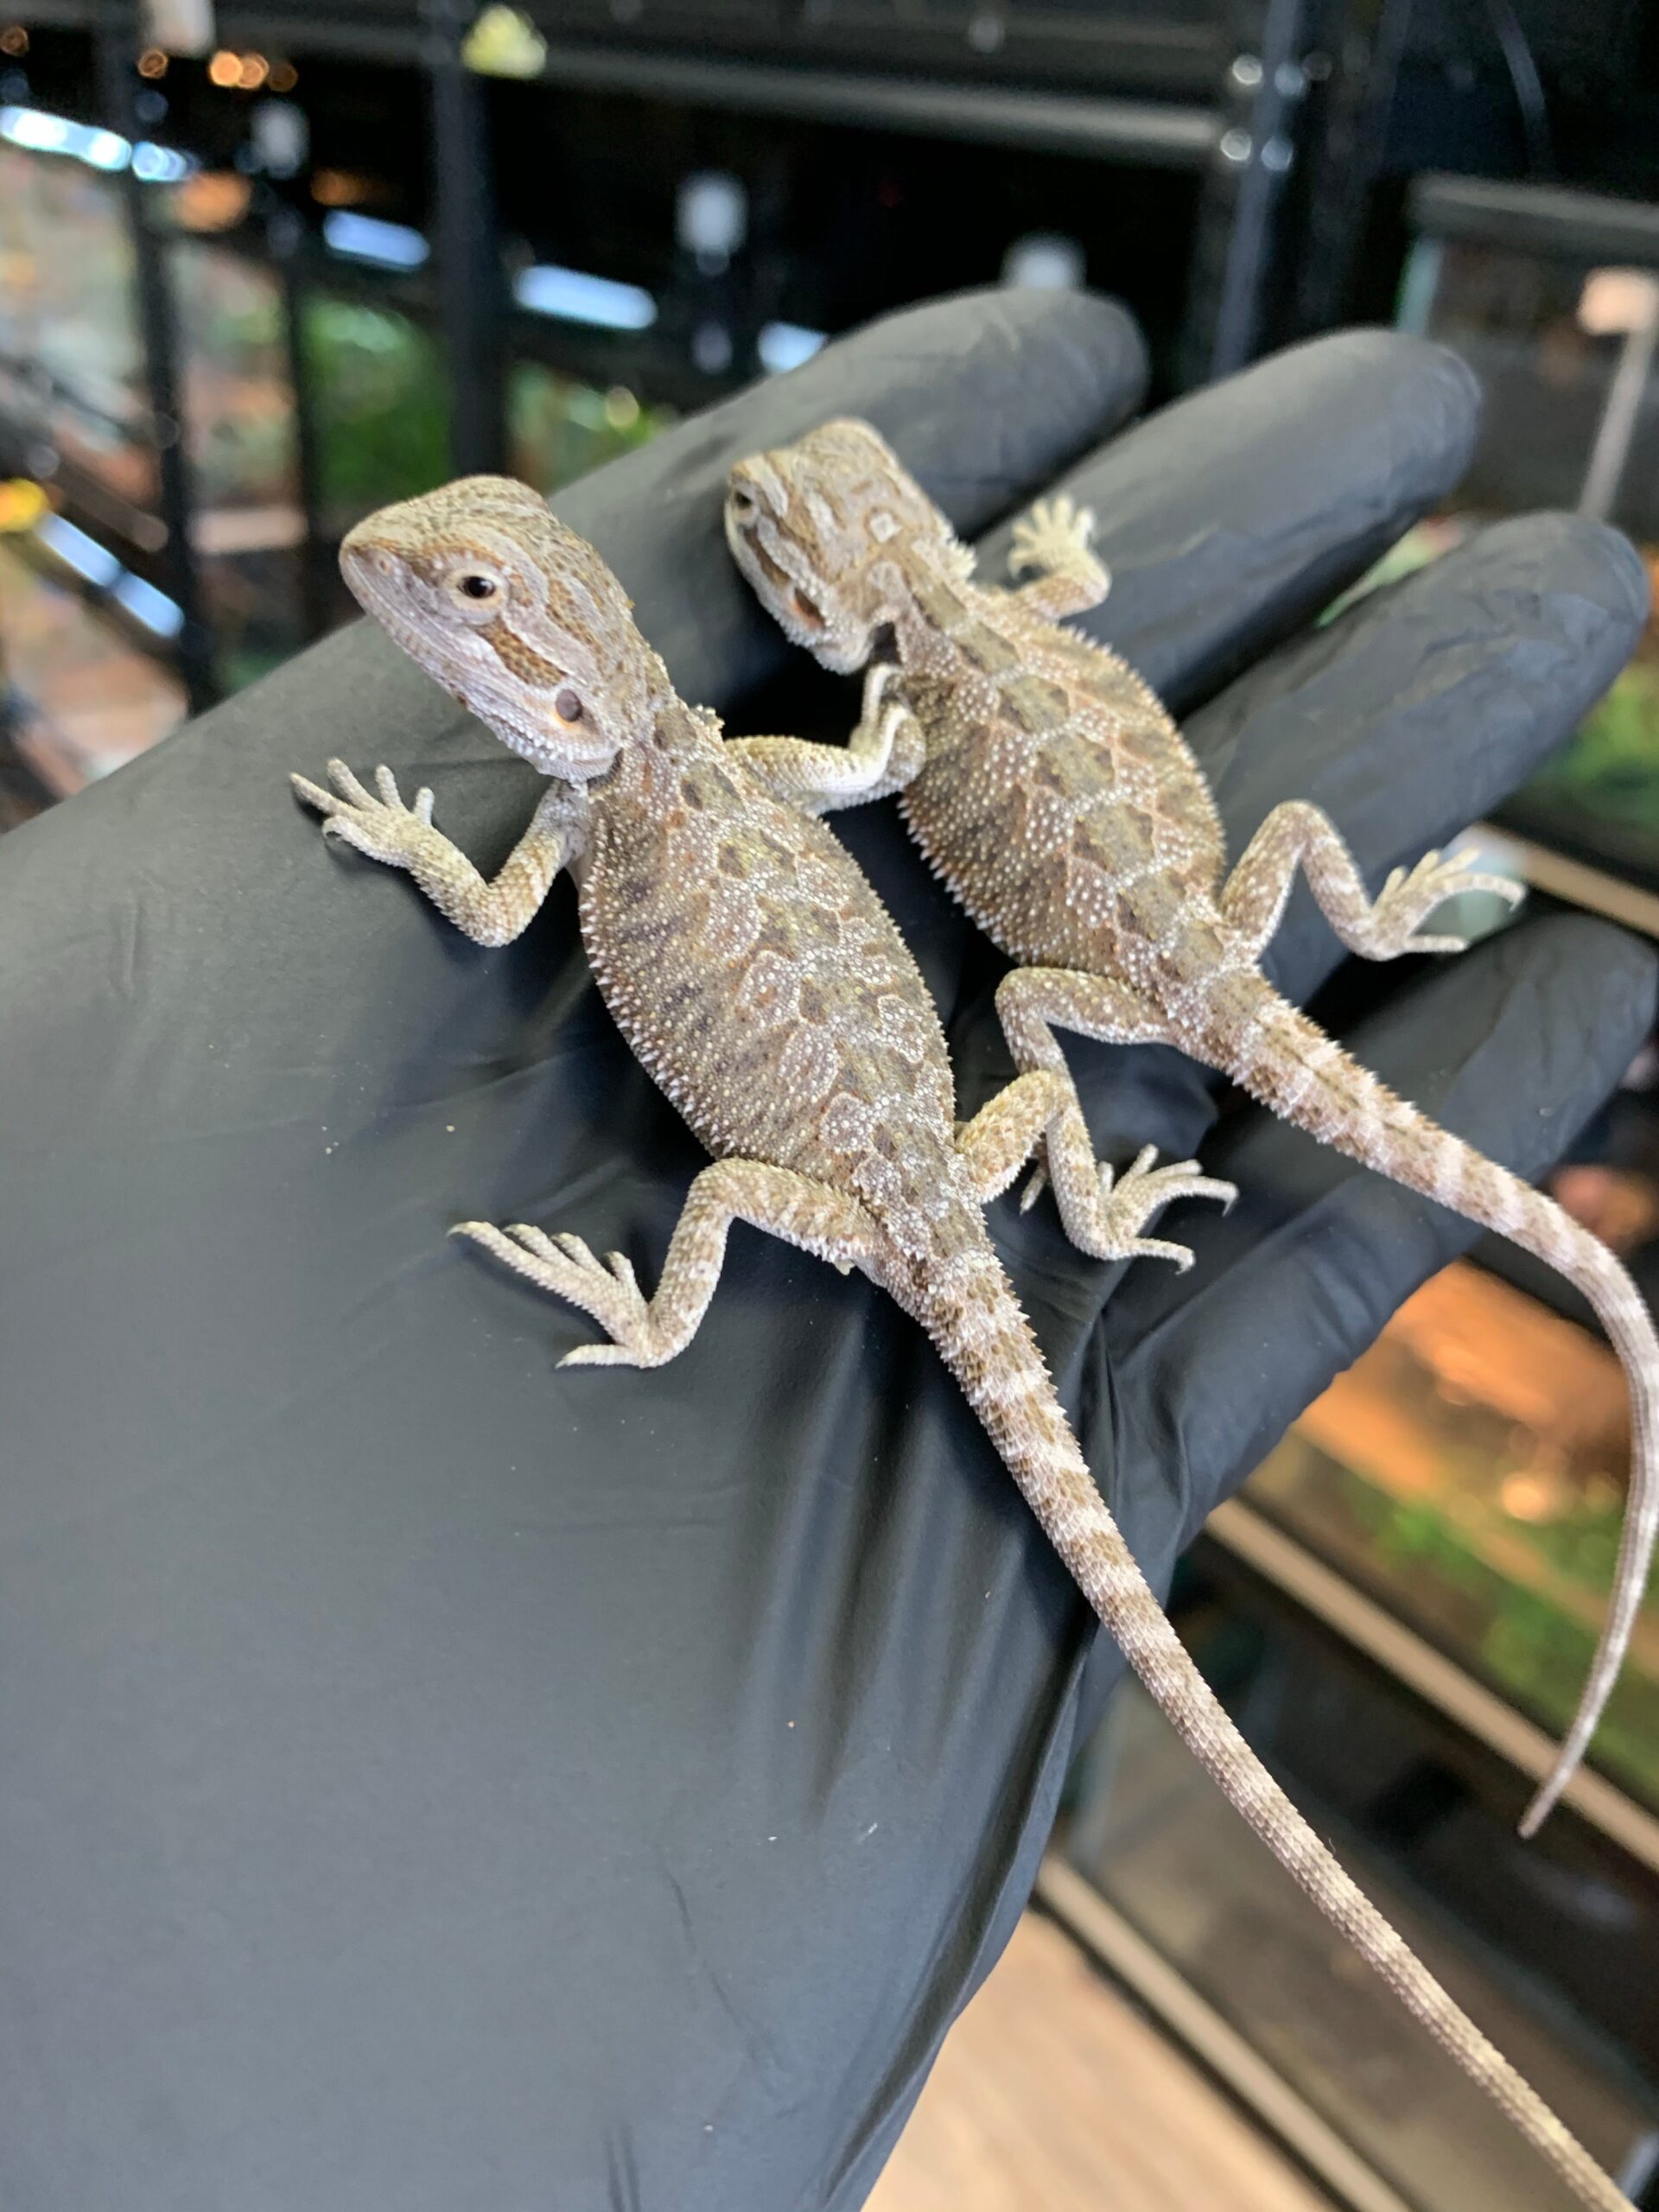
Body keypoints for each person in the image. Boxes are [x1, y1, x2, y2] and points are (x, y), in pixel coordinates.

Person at [0, 287, 1649, 2209]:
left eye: (459, 592)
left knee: (709, 1196)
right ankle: (1061, 1208)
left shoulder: (621, 810)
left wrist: (651, 1278)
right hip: (959, 1153)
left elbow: (507, 896)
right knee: (865, 1229)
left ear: (539, 654)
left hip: (872, 1189)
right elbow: (709, 824)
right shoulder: (676, 786)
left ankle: (686, 1299)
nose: (412, 596)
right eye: (448, 581)